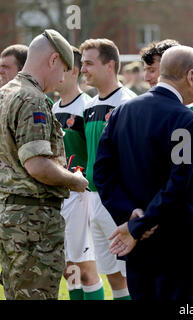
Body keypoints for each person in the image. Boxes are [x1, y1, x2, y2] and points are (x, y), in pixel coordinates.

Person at [94, 45, 193, 300]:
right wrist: (139, 224)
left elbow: (102, 172)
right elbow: (178, 184)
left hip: (136, 237)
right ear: (190, 76)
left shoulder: (122, 111)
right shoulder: (190, 121)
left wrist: (131, 216)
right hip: (175, 240)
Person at [0, 29, 89, 300]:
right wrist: (75, 180)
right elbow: (37, 164)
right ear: (52, 60)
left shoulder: (5, 93)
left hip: (9, 215)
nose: (62, 79)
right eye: (63, 69)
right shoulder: (33, 99)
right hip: (32, 223)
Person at [139, 38, 193, 300]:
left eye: (154, 69)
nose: (149, 76)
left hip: (182, 213)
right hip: (158, 210)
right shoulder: (151, 107)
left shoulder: (192, 110)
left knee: (191, 286)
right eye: (146, 70)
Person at [80, 38, 136, 300]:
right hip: (93, 199)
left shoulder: (129, 104)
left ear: (110, 65)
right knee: (111, 273)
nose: (83, 70)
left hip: (118, 200)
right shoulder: (89, 107)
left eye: (89, 63)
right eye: (82, 64)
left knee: (130, 271)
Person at [52, 46, 103, 300]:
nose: (54, 73)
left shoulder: (86, 108)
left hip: (82, 196)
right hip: (60, 196)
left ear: (73, 71)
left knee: (85, 268)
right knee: (68, 267)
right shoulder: (51, 109)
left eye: (60, 67)